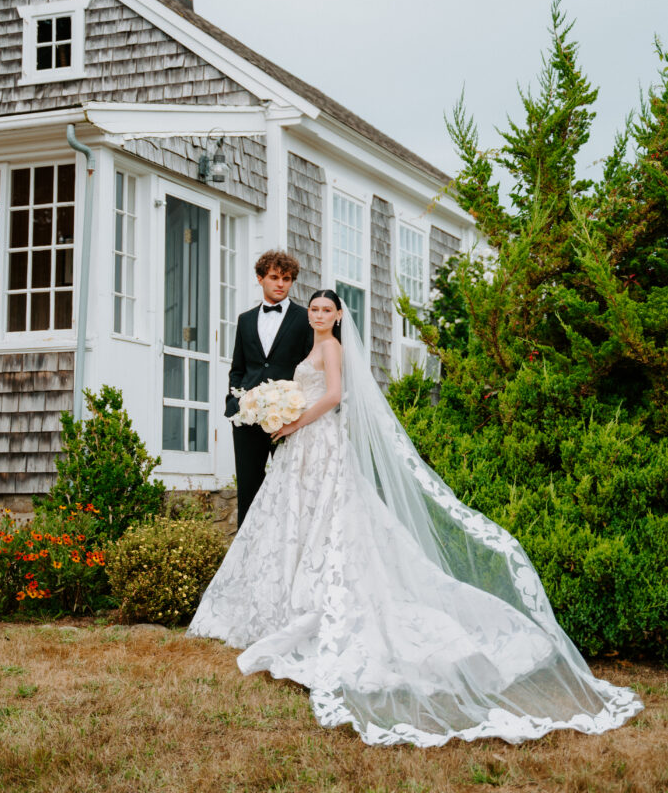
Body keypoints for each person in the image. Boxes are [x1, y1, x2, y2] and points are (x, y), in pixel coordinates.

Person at [189, 290, 643, 747]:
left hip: (318, 440)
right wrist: (275, 410)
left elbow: (332, 396)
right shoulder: (311, 345)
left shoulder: (332, 347)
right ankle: (277, 602)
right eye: (315, 309)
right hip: (302, 448)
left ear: (339, 315)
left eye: (327, 310)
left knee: (329, 520)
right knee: (294, 522)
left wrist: (291, 422)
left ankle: (314, 601)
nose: (320, 314)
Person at [224, 250, 313, 528]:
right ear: (260, 278)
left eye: (286, 279)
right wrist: (233, 403)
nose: (280, 284)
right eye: (274, 278)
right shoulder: (245, 319)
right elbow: (238, 367)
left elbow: (310, 367)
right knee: (248, 489)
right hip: (248, 418)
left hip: (288, 420)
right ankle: (245, 558)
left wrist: (299, 410)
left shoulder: (304, 318)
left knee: (290, 487)